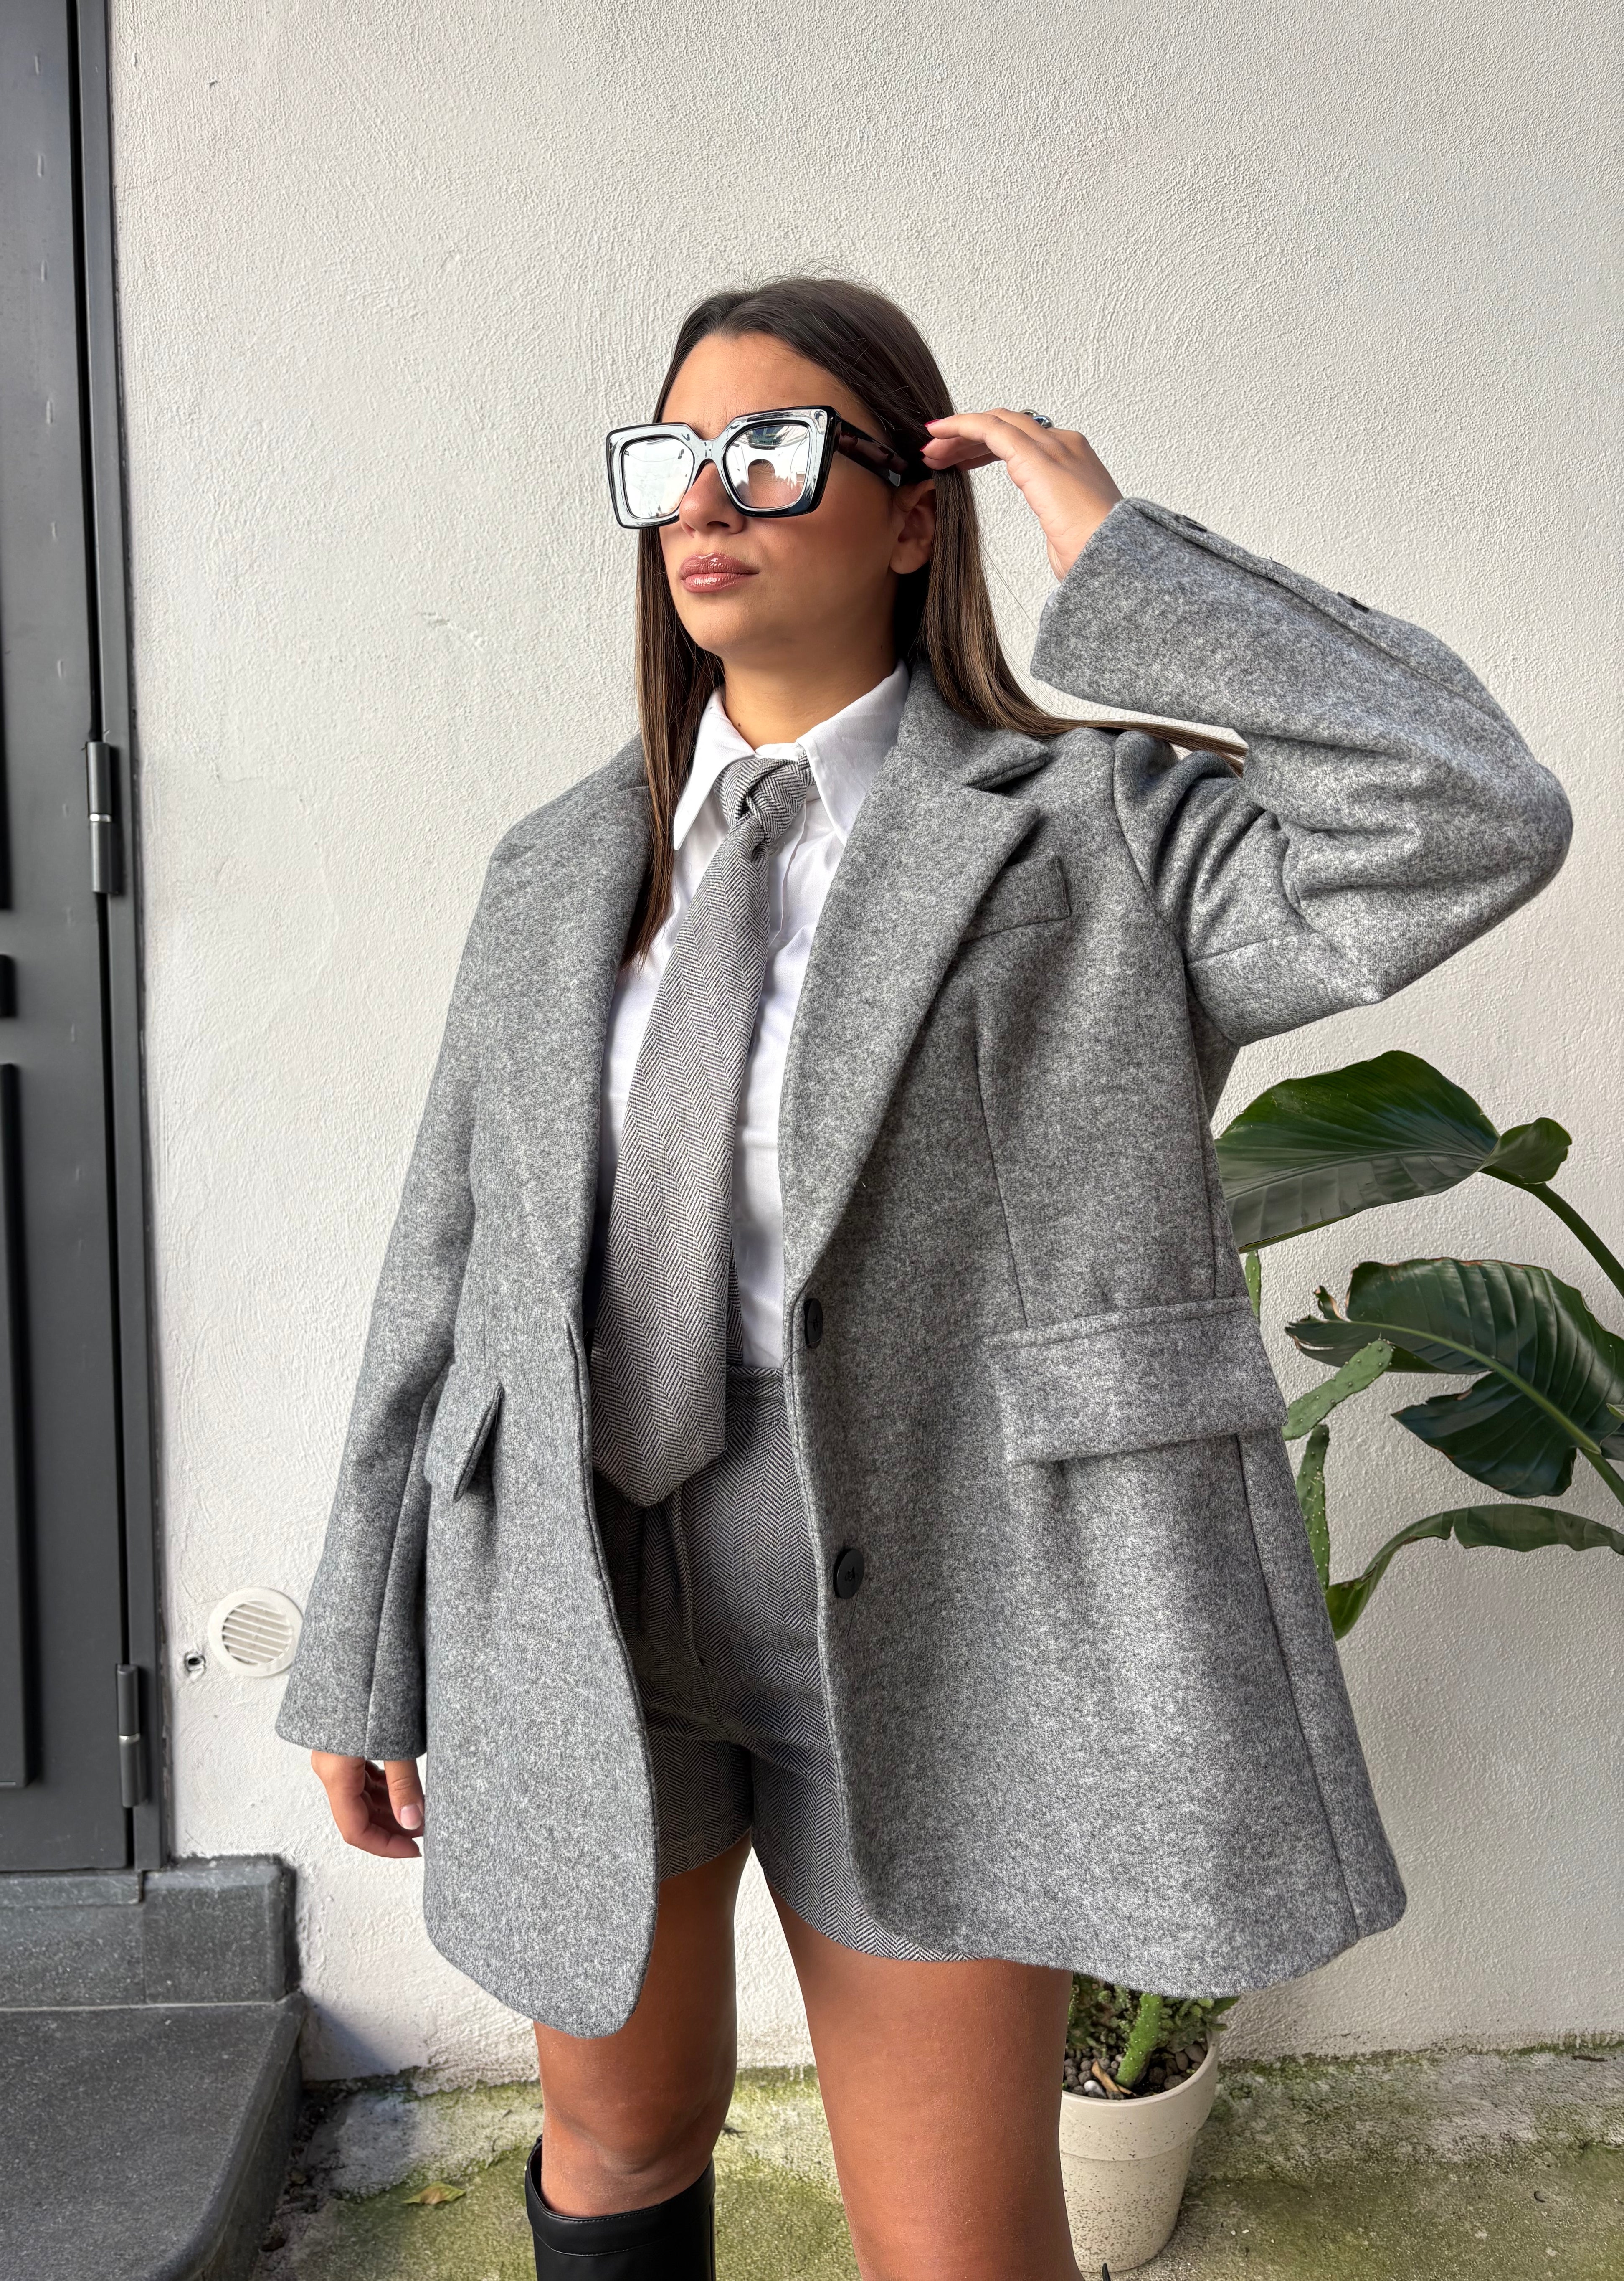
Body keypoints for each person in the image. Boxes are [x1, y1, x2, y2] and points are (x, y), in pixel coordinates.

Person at [275, 276, 1571, 2278]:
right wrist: (361, 1640)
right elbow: (444, 1264)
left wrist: (1123, 562)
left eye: (771, 448)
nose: (707, 497)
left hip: (948, 1594)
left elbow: (1465, 816)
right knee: (613, 2145)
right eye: (673, 458)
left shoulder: (1097, 837)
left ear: (910, 510)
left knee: (955, 2241)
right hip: (575, 1590)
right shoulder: (554, 869)